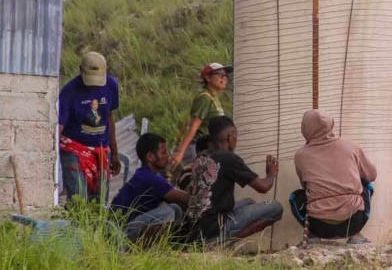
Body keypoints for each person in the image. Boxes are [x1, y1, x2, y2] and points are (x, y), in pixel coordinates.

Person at [185, 116, 283, 244]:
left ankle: (218, 238)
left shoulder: (201, 156)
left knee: (248, 201)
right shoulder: (229, 158)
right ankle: (223, 242)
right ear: (230, 138)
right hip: (215, 227)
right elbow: (263, 187)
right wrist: (271, 173)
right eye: (236, 138)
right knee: (275, 208)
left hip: (197, 228)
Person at [290, 110, 377, 245]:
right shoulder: (351, 146)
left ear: (305, 128)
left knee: (296, 197)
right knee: (366, 185)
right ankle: (356, 236)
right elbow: (372, 175)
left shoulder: (300, 156)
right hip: (353, 222)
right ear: (331, 124)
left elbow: (306, 187)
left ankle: (313, 237)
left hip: (319, 225)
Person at [59, 52, 121, 202]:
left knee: (99, 203)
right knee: (79, 199)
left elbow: (109, 117)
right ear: (81, 70)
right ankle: (76, 224)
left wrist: (114, 153)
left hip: (101, 149)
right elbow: (59, 126)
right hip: (74, 149)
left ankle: (95, 226)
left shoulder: (111, 85)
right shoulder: (69, 91)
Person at [111, 133, 189, 243]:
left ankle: (169, 244)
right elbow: (188, 200)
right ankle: (142, 250)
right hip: (121, 232)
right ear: (150, 157)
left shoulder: (146, 174)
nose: (168, 156)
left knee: (175, 208)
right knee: (168, 212)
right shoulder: (151, 179)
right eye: (164, 153)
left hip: (125, 225)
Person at [170, 62, 232, 171]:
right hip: (196, 148)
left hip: (206, 149)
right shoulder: (204, 97)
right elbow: (193, 127)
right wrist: (180, 153)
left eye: (225, 75)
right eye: (220, 74)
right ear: (208, 78)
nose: (224, 77)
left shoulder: (213, 98)